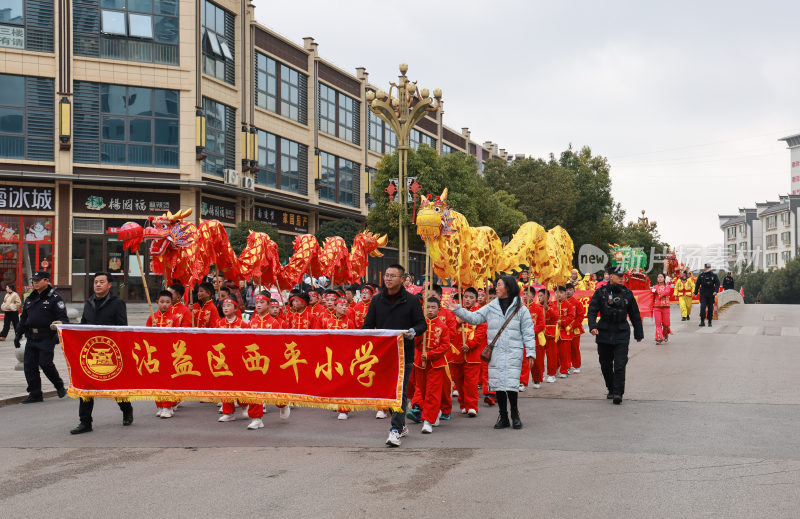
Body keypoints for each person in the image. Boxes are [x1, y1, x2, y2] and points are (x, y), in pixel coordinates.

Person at [447, 275, 536, 430]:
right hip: (496, 352)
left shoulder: (521, 308)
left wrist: (531, 352)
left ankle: (515, 415)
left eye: (499, 285)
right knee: (499, 384)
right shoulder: (491, 306)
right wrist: (458, 310)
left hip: (514, 351)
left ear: (508, 287)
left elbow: (528, 331)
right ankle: (503, 416)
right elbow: (474, 318)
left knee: (512, 385)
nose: (496, 287)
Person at [362, 264, 426, 447]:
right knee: (386, 392)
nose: (388, 279)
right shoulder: (376, 301)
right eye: (387, 275)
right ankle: (402, 424)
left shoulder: (412, 301)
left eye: (392, 276)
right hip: (382, 354)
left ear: (402, 279)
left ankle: (395, 430)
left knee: (400, 392)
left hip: (404, 354)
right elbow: (367, 326)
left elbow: (422, 324)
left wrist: (414, 331)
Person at [71, 272, 132, 434]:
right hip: (91, 352)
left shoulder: (117, 303)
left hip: (111, 352)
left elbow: (122, 327)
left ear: (109, 285)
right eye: (96, 282)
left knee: (115, 386)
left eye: (101, 282)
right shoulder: (88, 303)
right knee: (86, 387)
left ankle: (127, 410)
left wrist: (120, 350)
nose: (97, 284)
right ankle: (85, 422)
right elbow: (83, 325)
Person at [587, 266, 644, 405]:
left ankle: (618, 393)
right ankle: (611, 388)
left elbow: (635, 314)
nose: (621, 278)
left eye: (622, 276)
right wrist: (593, 326)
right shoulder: (600, 292)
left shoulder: (627, 293)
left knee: (620, 364)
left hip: (621, 331)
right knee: (605, 364)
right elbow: (592, 310)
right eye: (618, 275)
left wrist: (638, 333)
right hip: (604, 331)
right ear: (610, 276)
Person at [15, 271, 67, 404]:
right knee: (29, 366)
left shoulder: (55, 298)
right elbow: (24, 319)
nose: (35, 283)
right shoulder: (30, 298)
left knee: (45, 364)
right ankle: (35, 394)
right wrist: (17, 334)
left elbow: (63, 319)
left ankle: (59, 385)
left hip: (46, 336)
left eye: (38, 280)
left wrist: (58, 331)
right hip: (31, 336)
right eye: (34, 280)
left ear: (46, 281)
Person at [414, 297, 451, 434]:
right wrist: (417, 334)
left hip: (435, 364)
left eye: (433, 307)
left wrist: (429, 355)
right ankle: (434, 412)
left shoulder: (443, 326)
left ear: (439, 310)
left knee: (432, 393)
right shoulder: (420, 324)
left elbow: (445, 346)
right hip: (420, 363)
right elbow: (415, 343)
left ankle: (427, 421)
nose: (430, 310)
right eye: (427, 307)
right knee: (423, 392)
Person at [146, 291, 178, 418]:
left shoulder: (174, 318)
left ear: (171, 303)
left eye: (167, 302)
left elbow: (177, 336)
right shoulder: (152, 317)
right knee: (156, 379)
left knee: (167, 380)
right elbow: (145, 336)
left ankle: (167, 405)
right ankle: (159, 405)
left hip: (169, 352)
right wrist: (151, 329)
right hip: (154, 353)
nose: (164, 305)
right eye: (162, 302)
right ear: (157, 303)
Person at [455, 287, 485, 416]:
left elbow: (481, 332)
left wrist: (470, 344)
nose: (467, 299)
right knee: (459, 381)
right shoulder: (455, 311)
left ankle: (472, 406)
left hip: (472, 353)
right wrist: (457, 322)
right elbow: (448, 328)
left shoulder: (480, 313)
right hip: (457, 352)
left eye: (471, 297)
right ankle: (463, 404)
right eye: (465, 297)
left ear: (475, 299)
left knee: (471, 382)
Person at [555, 286, 575, 378]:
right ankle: (555, 369)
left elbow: (571, 317)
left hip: (564, 333)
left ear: (564, 294)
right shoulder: (552, 304)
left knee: (564, 353)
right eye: (556, 292)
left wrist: (562, 322)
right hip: (554, 333)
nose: (558, 294)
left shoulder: (568, 305)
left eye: (561, 293)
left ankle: (564, 370)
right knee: (555, 353)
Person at [566, 283, 585, 374]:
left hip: (574, 329)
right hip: (563, 329)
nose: (568, 291)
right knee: (565, 348)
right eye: (567, 290)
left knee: (574, 348)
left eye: (570, 289)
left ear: (574, 291)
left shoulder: (577, 303)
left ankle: (576, 365)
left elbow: (580, 316)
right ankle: (567, 366)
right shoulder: (560, 303)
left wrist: (572, 326)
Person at [652, 273, 672, 344]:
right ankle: (658, 338)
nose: (659, 278)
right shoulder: (654, 287)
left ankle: (665, 334)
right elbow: (652, 296)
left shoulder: (667, 286)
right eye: (658, 277)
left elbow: (666, 292)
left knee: (666, 324)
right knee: (658, 323)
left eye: (661, 277)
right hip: (657, 307)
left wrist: (658, 292)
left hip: (666, 307)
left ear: (664, 278)